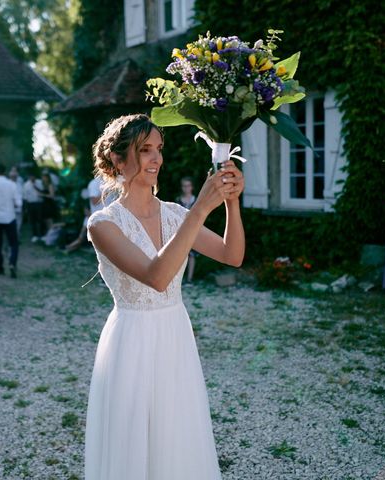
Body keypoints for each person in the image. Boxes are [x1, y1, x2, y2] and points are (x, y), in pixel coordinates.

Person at [84, 114, 245, 479]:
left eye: (159, 149)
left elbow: (232, 255)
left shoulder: (174, 214)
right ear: (117, 160)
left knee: (176, 435)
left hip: (175, 334)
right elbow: (157, 276)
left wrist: (231, 202)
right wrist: (202, 206)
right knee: (135, 441)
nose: (156, 159)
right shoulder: (103, 224)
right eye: (144, 150)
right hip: (132, 341)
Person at [177, 176, 198, 283]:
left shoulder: (196, 200)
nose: (186, 188)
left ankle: (190, 278)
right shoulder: (178, 201)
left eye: (188, 186)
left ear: (192, 187)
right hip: (181, 230)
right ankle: (180, 279)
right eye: (184, 186)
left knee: (192, 255)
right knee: (181, 255)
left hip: (193, 230)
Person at [23, 171, 44, 243]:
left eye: (33, 176)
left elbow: (43, 191)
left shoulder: (40, 182)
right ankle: (34, 235)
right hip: (31, 204)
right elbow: (25, 197)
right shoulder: (26, 185)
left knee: (40, 219)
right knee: (33, 220)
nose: (32, 178)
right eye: (31, 176)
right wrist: (26, 208)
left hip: (39, 203)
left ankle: (41, 235)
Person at [9, 167, 24, 235]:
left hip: (18, 206)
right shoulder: (8, 184)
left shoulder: (19, 184)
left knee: (18, 222)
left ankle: (16, 236)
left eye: (15, 176)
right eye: (12, 176)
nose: (14, 177)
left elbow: (21, 194)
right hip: (10, 207)